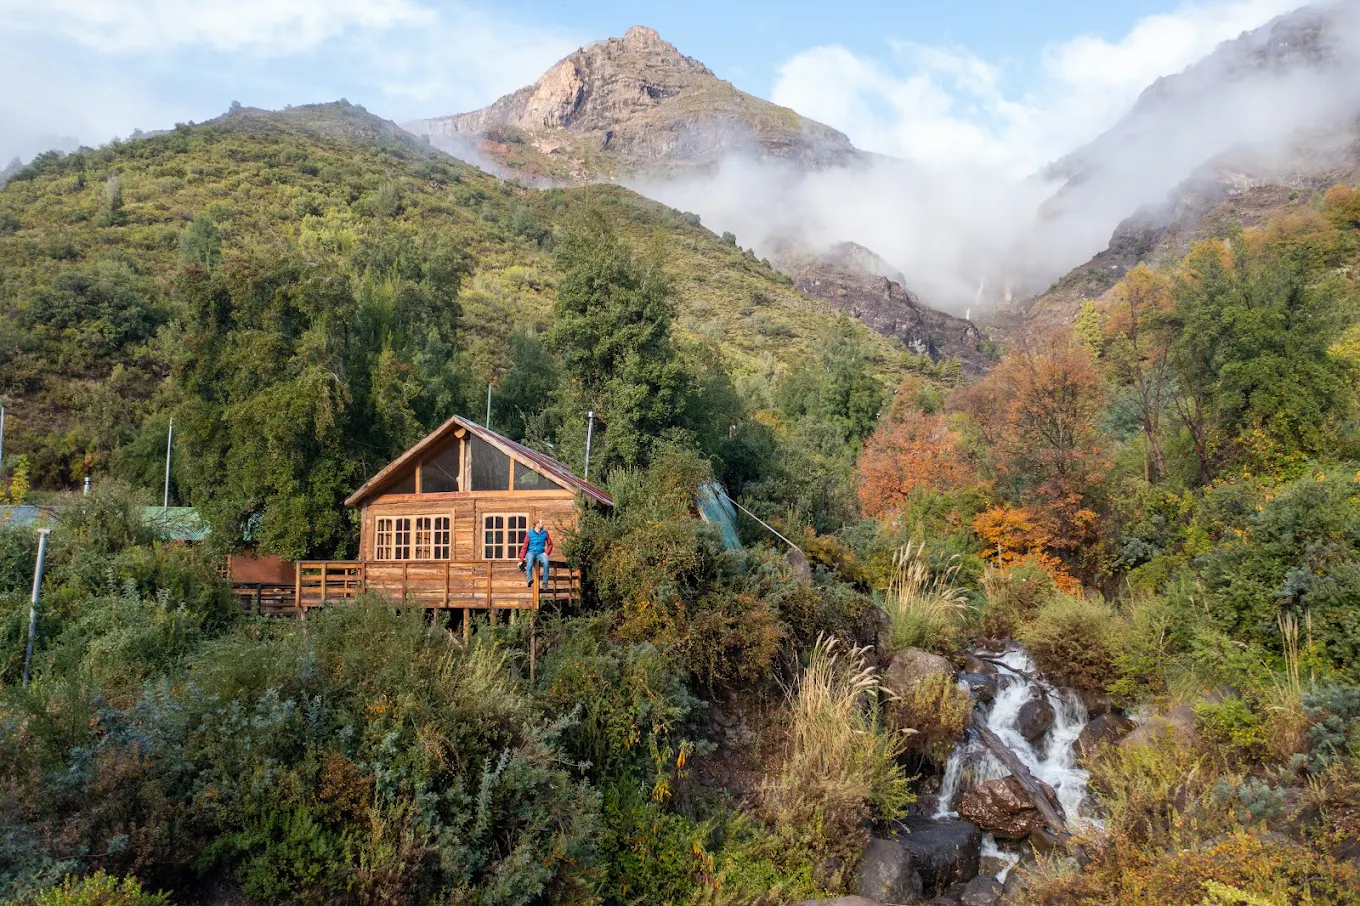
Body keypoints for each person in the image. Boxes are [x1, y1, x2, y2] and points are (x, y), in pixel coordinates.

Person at [518, 517, 553, 588]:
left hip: (541, 553)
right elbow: (524, 547)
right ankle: (529, 579)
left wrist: (546, 553)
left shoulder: (545, 533)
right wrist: (521, 560)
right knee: (530, 560)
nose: (543, 524)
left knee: (546, 562)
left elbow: (550, 544)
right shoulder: (529, 534)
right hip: (531, 552)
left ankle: (545, 583)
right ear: (537, 524)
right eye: (541, 523)